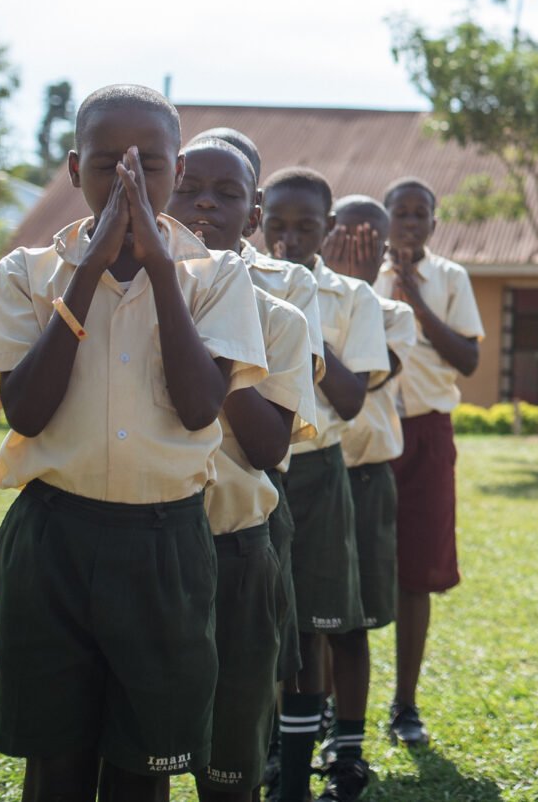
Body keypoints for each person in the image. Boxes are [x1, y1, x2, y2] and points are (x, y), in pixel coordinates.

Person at [0, 85, 268, 801]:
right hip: (53, 538)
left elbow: (199, 409)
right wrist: (89, 270)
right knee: (56, 763)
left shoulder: (216, 277)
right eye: (105, 166)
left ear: (177, 172)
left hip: (164, 546)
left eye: (149, 167)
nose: (127, 184)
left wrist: (161, 268)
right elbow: (27, 413)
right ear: (73, 170)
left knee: (144, 767)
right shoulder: (27, 273)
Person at [165, 137, 317, 802]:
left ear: (253, 216)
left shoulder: (278, 316)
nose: (204, 202)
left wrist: (213, 345)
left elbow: (265, 449)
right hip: (147, 542)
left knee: (231, 761)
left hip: (236, 550)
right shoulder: (124, 299)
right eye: (188, 187)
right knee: (142, 750)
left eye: (228, 195)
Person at [262, 166, 390, 802]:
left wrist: (301, 318)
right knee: (258, 619)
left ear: (329, 227)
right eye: (276, 223)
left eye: (306, 226)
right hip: (250, 468)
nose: (288, 238)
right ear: (259, 218)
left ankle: (296, 776)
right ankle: (268, 753)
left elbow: (350, 397)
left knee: (314, 622)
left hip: (317, 470)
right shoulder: (239, 281)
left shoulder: (352, 298)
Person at [316, 195, 419, 801]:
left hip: (363, 473)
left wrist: (349, 286)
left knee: (350, 611)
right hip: (306, 472)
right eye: (347, 236)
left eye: (371, 239)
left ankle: (344, 736)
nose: (360, 248)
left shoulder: (389, 311)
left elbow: (354, 384)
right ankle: (309, 719)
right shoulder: (293, 294)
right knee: (304, 614)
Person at [378, 178, 485, 746]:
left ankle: (405, 705)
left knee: (416, 570)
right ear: (384, 217)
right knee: (348, 567)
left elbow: (468, 358)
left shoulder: (450, 279)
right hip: (367, 430)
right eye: (401, 212)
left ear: (434, 224)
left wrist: (416, 302)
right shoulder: (360, 273)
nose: (411, 223)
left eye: (422, 214)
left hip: (427, 432)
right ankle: (328, 710)